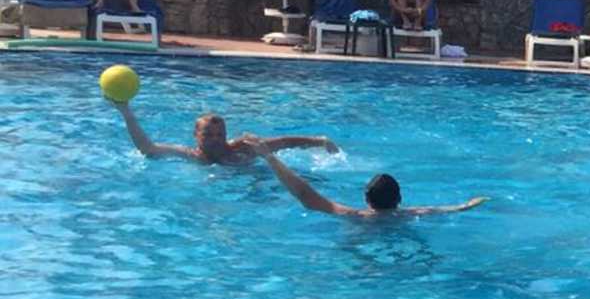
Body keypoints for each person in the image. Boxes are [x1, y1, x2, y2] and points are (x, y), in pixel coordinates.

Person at [262, 152, 484, 219]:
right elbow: (456, 208)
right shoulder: (411, 214)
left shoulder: (354, 216)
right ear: (399, 199)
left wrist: (269, 157)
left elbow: (304, 194)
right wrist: (473, 202)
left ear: (366, 199)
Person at [117, 103, 339, 166]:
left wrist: (319, 141)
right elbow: (147, 148)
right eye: (208, 135)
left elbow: (284, 142)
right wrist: (126, 111)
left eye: (219, 134)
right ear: (195, 135)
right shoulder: (190, 156)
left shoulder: (242, 148)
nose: (215, 140)